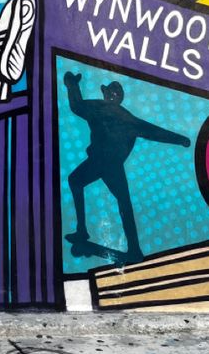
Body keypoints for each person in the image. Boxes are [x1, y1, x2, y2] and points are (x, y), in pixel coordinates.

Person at [63, 71, 190, 263]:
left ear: (117, 98)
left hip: (106, 163)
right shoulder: (103, 109)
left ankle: (118, 243)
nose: (112, 97)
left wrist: (72, 86)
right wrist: (72, 85)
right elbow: (77, 106)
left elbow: (154, 131)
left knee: (88, 187)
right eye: (111, 93)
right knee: (87, 186)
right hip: (105, 162)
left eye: (114, 94)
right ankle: (91, 234)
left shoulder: (113, 113)